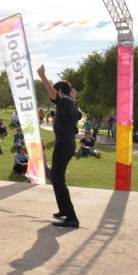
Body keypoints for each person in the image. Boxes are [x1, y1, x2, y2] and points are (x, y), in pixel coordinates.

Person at [37, 64, 81, 228]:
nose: (52, 97)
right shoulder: (72, 103)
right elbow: (78, 114)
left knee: (58, 178)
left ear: (60, 91)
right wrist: (73, 97)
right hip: (69, 143)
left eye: (56, 92)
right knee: (56, 177)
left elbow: (55, 96)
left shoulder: (65, 101)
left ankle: (71, 217)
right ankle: (64, 210)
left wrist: (42, 77)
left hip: (63, 144)